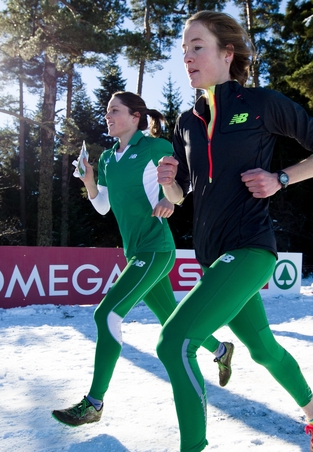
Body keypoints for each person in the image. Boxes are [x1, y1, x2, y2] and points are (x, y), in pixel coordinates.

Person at [155, 11, 313, 452]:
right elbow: (184, 194)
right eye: (184, 50)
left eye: (197, 47)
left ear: (227, 53)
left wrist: (281, 177)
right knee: (262, 349)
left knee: (174, 343)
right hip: (213, 258)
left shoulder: (261, 104)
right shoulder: (188, 121)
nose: (187, 57)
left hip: (250, 249)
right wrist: (169, 180)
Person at [52, 91, 235, 427]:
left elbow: (188, 177)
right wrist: (89, 180)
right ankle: (221, 350)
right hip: (135, 252)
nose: (108, 116)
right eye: (106, 111)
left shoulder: (154, 147)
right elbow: (103, 206)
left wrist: (171, 201)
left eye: (115, 111)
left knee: (106, 314)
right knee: (170, 317)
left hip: (155, 249)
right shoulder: (107, 158)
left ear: (136, 117)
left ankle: (93, 403)